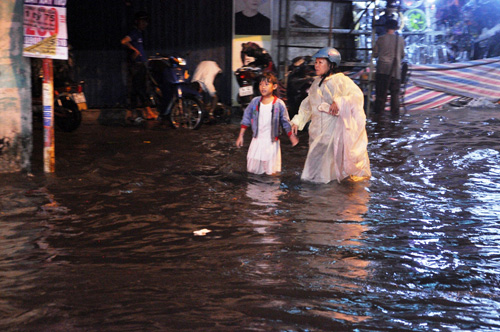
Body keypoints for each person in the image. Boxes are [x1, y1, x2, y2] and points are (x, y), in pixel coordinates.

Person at [291, 47, 371, 184]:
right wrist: (298, 120)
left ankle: (328, 194)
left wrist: (339, 101)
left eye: (320, 62)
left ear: (331, 64)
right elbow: (308, 104)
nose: (316, 65)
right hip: (317, 132)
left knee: (328, 168)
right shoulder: (316, 83)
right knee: (316, 166)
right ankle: (320, 193)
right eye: (316, 62)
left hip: (332, 131)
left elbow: (356, 95)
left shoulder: (341, 81)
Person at [236, 72, 299, 175]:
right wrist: (241, 135)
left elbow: (285, 121)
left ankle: (271, 190)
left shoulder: (279, 104)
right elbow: (246, 117)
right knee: (252, 170)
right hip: (257, 141)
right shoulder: (255, 102)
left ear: (274, 86)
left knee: (271, 172)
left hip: (271, 143)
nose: (262, 87)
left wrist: (291, 137)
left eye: (266, 84)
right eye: (261, 84)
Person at [121, 11, 157, 122]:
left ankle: (133, 113)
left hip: (140, 64)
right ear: (137, 22)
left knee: (137, 89)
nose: (145, 24)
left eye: (146, 22)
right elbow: (124, 41)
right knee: (140, 88)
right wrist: (134, 50)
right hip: (136, 65)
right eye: (143, 21)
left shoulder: (139, 33)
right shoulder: (135, 33)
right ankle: (148, 112)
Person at [373, 19, 405, 116]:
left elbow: (375, 54)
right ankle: (395, 117)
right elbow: (403, 55)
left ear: (385, 27)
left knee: (381, 94)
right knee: (395, 94)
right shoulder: (400, 40)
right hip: (395, 71)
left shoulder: (380, 39)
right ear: (396, 28)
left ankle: (378, 116)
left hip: (382, 70)